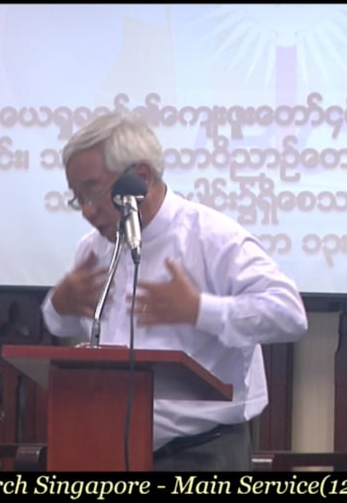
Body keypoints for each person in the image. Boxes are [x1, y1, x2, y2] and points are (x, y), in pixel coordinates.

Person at [41, 112, 309, 471]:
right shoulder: (93, 248)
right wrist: (59, 307)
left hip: (201, 455)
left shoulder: (211, 237)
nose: (87, 211)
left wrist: (199, 310)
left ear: (140, 177)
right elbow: (63, 325)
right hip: (108, 448)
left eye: (94, 192)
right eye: (78, 198)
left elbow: (289, 314)